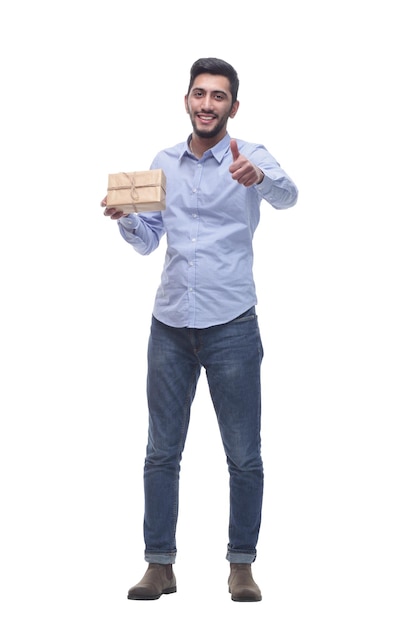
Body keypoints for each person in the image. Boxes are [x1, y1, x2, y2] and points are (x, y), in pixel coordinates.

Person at [101, 57, 298, 602]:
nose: (207, 104)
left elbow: (289, 195)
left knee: (243, 453)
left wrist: (258, 178)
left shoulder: (250, 156)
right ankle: (159, 565)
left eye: (218, 96)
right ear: (187, 100)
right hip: (169, 325)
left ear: (233, 107)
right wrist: (127, 221)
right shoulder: (163, 162)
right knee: (161, 450)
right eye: (198, 94)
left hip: (231, 322)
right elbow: (149, 241)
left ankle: (241, 565)